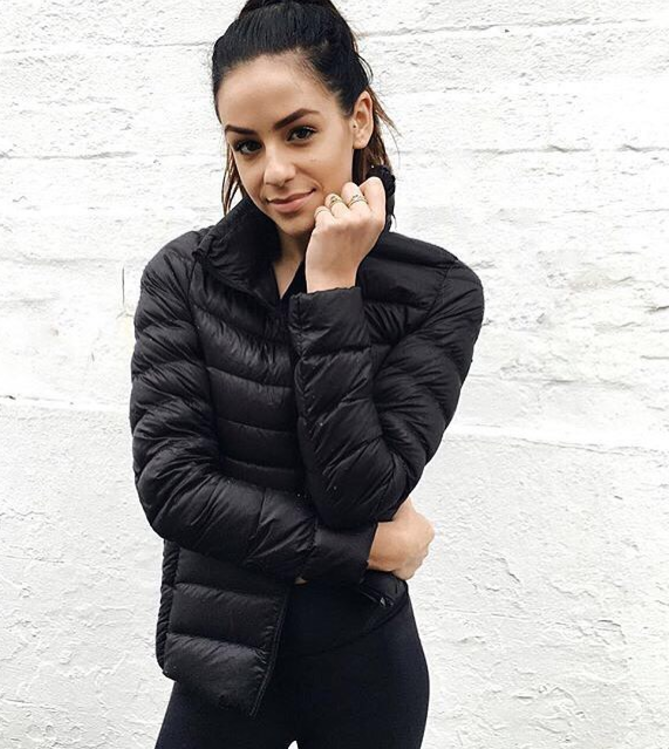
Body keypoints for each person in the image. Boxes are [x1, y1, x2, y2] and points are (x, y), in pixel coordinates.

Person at [128, 1, 485, 747]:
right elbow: (175, 490)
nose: (274, 172)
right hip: (223, 660)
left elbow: (358, 492)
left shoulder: (439, 292)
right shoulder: (183, 278)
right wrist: (363, 551)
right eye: (246, 145)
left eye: (298, 133)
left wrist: (332, 289)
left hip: (366, 663)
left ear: (357, 119)